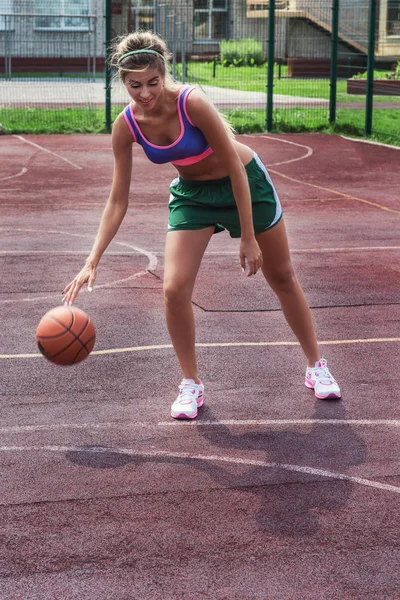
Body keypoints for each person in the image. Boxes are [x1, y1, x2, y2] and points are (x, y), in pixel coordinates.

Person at [62, 30, 341, 419]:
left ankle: (316, 365)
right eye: (134, 85)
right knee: (174, 289)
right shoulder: (126, 125)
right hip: (193, 195)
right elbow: (117, 200)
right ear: (122, 81)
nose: (145, 93)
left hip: (245, 183)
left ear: (164, 74)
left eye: (153, 82)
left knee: (281, 276)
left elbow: (234, 167)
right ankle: (191, 384)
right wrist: (92, 259)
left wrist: (247, 237)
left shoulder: (192, 103)